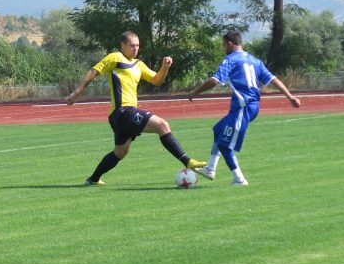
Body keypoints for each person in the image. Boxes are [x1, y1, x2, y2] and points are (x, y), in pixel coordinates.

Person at [67, 31, 206, 186]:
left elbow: (156, 80)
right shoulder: (115, 58)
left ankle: (93, 179)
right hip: (123, 111)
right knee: (162, 125)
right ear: (123, 45)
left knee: (120, 152)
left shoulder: (138, 64)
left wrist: (164, 67)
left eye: (137, 46)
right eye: (132, 45)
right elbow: (94, 71)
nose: (135, 49)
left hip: (123, 115)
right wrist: (77, 92)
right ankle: (187, 161)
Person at [188, 32, 301, 186]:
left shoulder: (230, 59)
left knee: (224, 145)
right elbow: (274, 79)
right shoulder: (255, 61)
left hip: (244, 107)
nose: (223, 48)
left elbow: (215, 80)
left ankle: (239, 179)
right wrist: (290, 97)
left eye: (223, 45)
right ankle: (210, 169)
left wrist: (195, 92)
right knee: (218, 130)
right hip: (250, 107)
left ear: (229, 43)